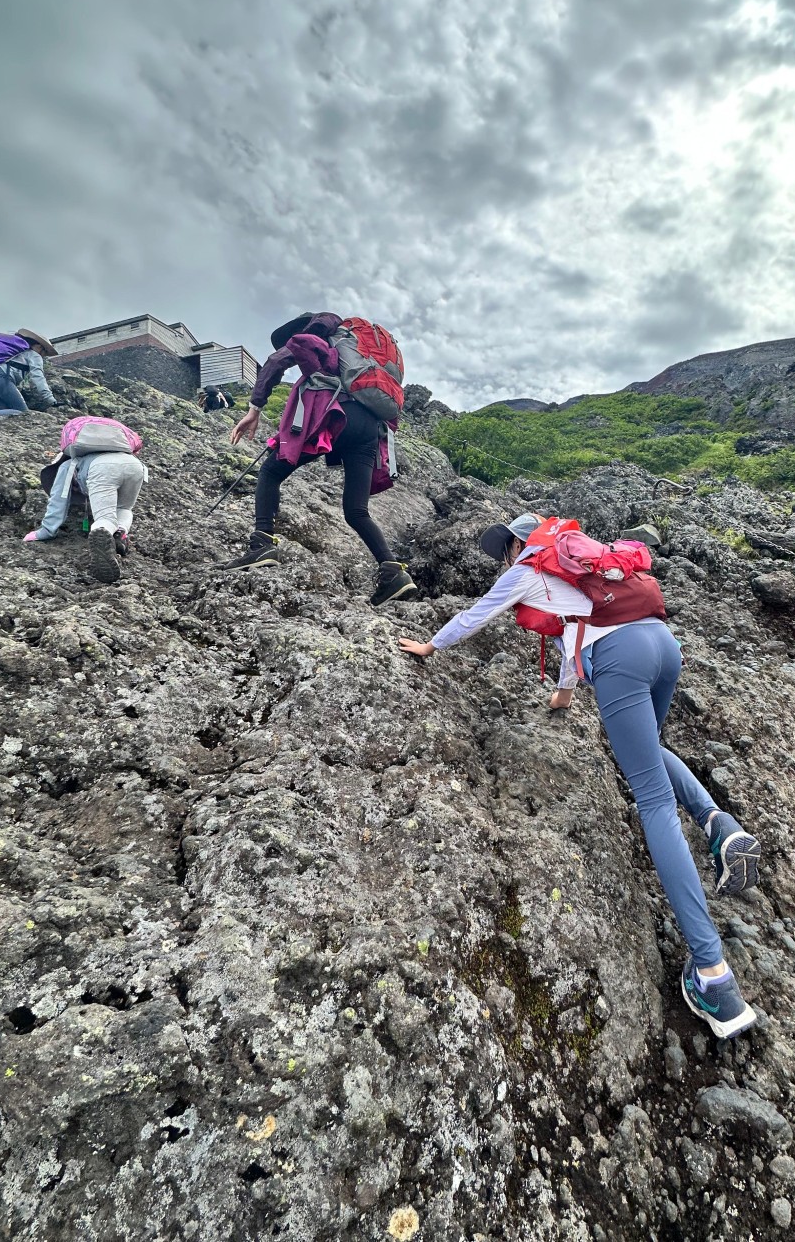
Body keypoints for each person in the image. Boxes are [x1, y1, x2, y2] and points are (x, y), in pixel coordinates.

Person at [399, 513, 762, 1039]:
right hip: (663, 644)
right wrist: (567, 690)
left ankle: (714, 977)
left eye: (506, 547)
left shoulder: (528, 567)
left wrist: (431, 646)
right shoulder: (582, 563)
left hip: (621, 658)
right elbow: (579, 624)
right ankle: (718, 825)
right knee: (650, 752)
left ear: (521, 543)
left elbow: (478, 614)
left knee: (652, 800)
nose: (505, 556)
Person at [224, 312, 417, 607]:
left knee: (271, 471)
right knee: (356, 510)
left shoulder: (323, 327)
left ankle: (261, 543)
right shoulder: (359, 345)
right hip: (370, 428)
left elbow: (277, 361)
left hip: (337, 414)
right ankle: (393, 573)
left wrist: (254, 409)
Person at [24, 426, 147, 584]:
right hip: (135, 466)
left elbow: (58, 500)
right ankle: (120, 534)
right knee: (124, 508)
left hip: (102, 469)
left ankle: (102, 532)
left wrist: (45, 531)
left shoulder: (66, 465)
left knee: (105, 518)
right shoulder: (107, 453)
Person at [0, 329, 58, 418]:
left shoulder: (19, 352)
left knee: (5, 412)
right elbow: (38, 377)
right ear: (39, 346)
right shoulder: (34, 355)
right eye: (45, 351)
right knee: (23, 412)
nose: (44, 355)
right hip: (2, 377)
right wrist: (50, 399)